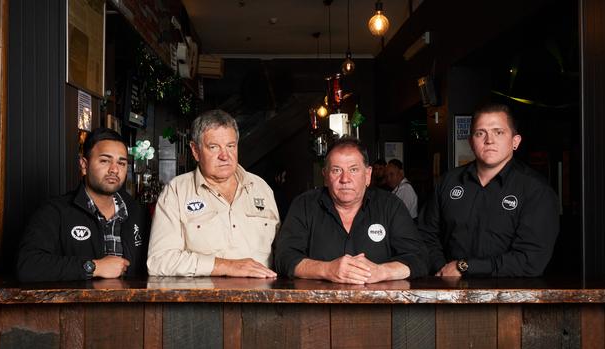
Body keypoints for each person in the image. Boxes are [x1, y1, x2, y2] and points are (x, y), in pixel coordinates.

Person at [418, 103, 559, 277]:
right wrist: (443, 270)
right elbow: (425, 235)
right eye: (480, 133)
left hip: (510, 298)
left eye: (498, 132)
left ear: (515, 142)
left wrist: (464, 267)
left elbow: (531, 260)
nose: (489, 140)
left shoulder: (536, 190)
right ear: (471, 142)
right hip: (449, 293)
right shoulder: (448, 182)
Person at [274, 137, 428, 284]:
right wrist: (326, 269)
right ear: (325, 176)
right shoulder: (304, 205)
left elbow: (419, 258)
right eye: (336, 170)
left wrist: (381, 271)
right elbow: (284, 257)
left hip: (381, 308)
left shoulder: (390, 206)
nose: (345, 179)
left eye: (353, 170)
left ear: (367, 175)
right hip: (315, 309)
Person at [147, 110, 280, 278]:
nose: (225, 156)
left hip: (262, 299)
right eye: (214, 147)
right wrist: (225, 266)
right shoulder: (176, 192)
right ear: (195, 151)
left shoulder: (261, 188)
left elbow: (283, 254)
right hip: (203, 301)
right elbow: (159, 261)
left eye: (230, 146)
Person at [17, 128, 149, 282]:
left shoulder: (138, 213)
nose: (114, 169)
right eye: (105, 160)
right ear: (84, 165)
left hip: (132, 305)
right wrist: (94, 267)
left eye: (121, 163)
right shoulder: (55, 211)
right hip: (76, 306)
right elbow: (27, 265)